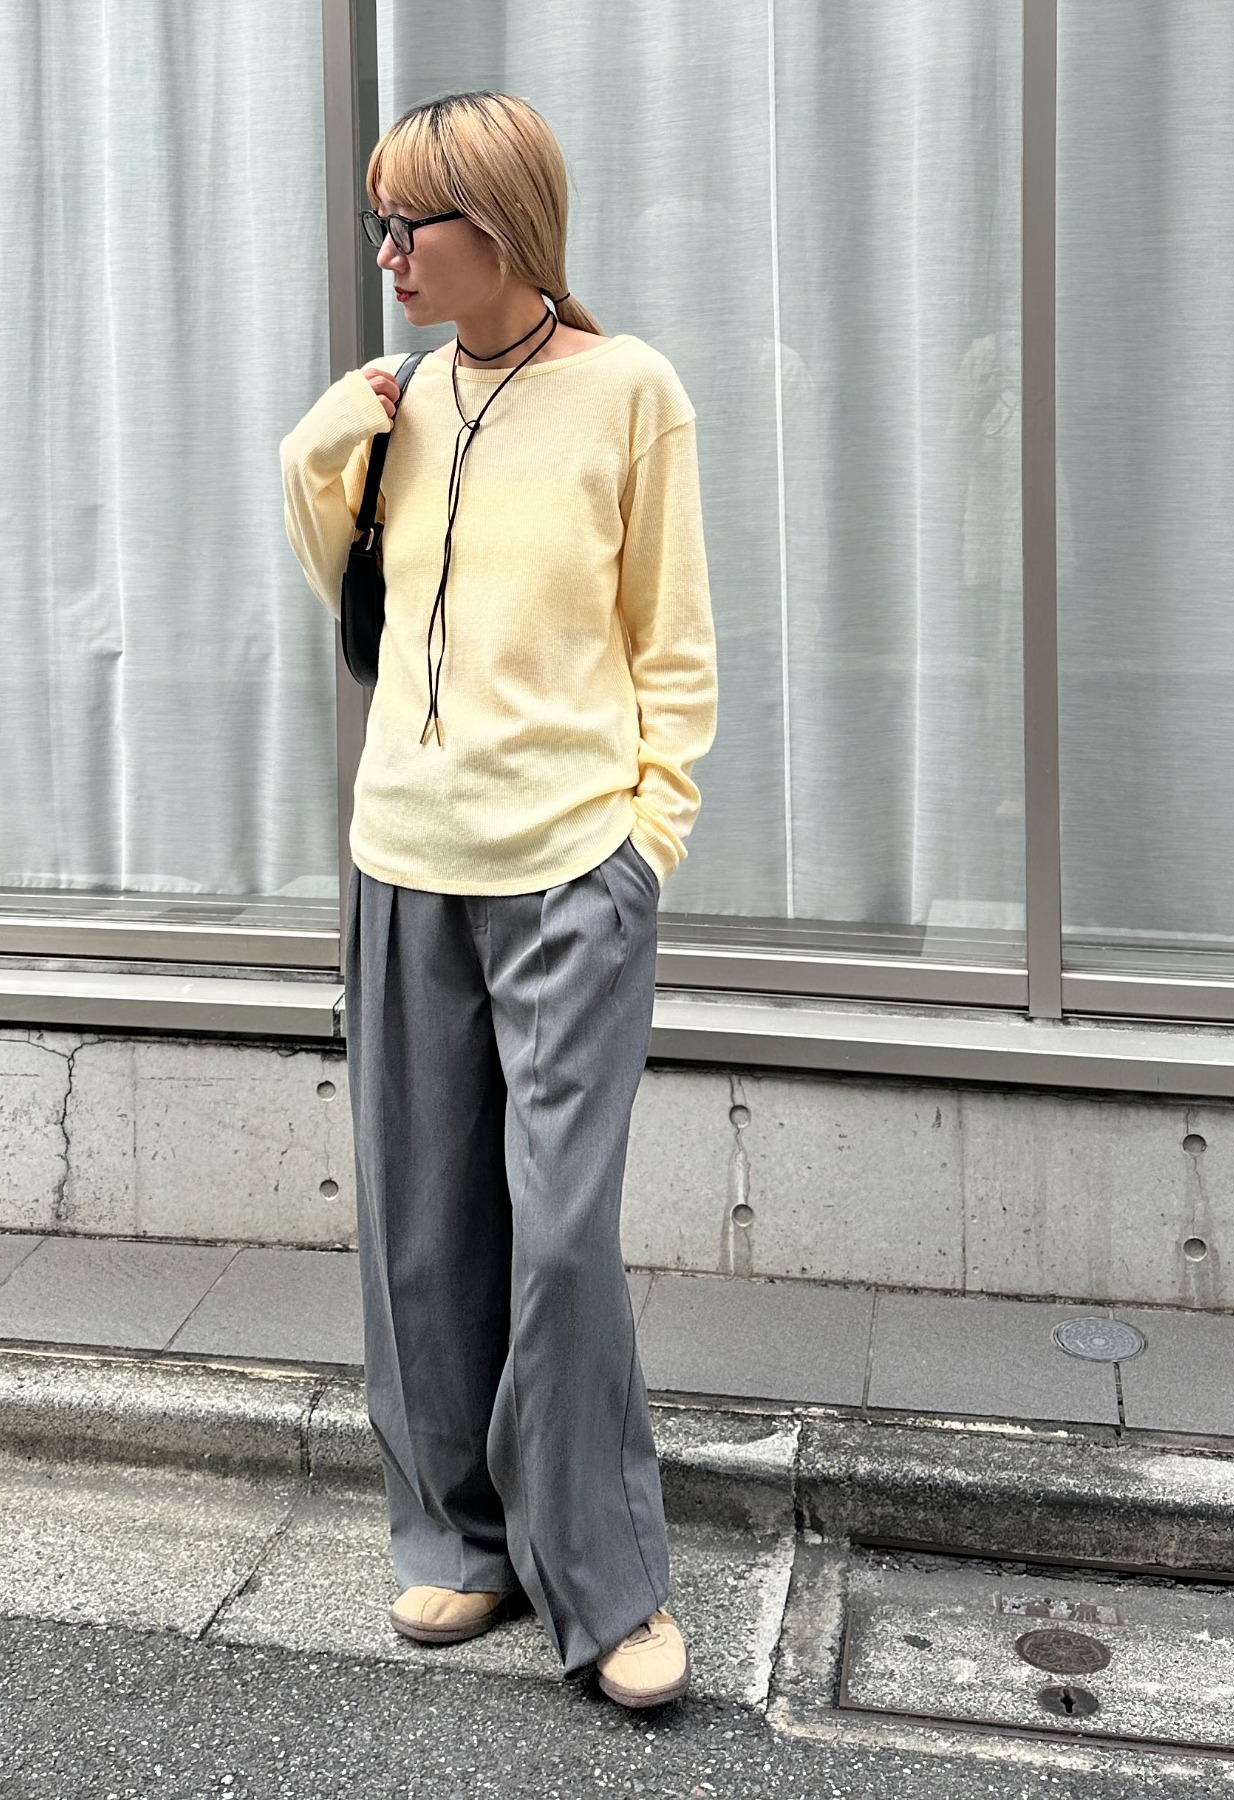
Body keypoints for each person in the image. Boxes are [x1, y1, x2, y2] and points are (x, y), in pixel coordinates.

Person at [278, 89, 717, 1710]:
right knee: (422, 1232)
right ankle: (459, 1538)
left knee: (562, 1241)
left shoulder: (629, 392)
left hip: (569, 874)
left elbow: (673, 644)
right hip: (404, 860)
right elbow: (353, 605)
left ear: (508, 224)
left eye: (416, 222)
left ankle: (607, 1581)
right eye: (378, 221)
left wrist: (645, 841)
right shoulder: (390, 407)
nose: (389, 252)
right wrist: (321, 448)